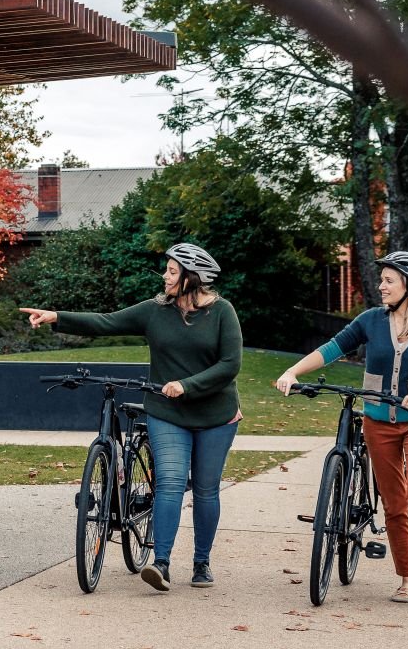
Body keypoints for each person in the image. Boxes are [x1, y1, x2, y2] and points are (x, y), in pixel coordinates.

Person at [21, 243, 244, 593]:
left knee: (204, 490)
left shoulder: (222, 312)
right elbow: (107, 322)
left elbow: (230, 364)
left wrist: (187, 385)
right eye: (167, 270)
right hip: (167, 412)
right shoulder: (155, 310)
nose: (165, 276)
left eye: (172, 271)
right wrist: (57, 317)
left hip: (216, 415)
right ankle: (162, 563)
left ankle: (202, 562)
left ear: (192, 277)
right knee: (169, 482)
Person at [273, 251, 408, 607]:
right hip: (378, 422)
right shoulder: (371, 321)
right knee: (393, 502)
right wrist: (293, 372)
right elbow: (332, 348)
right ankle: (405, 577)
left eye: (389, 280)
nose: (382, 286)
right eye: (383, 280)